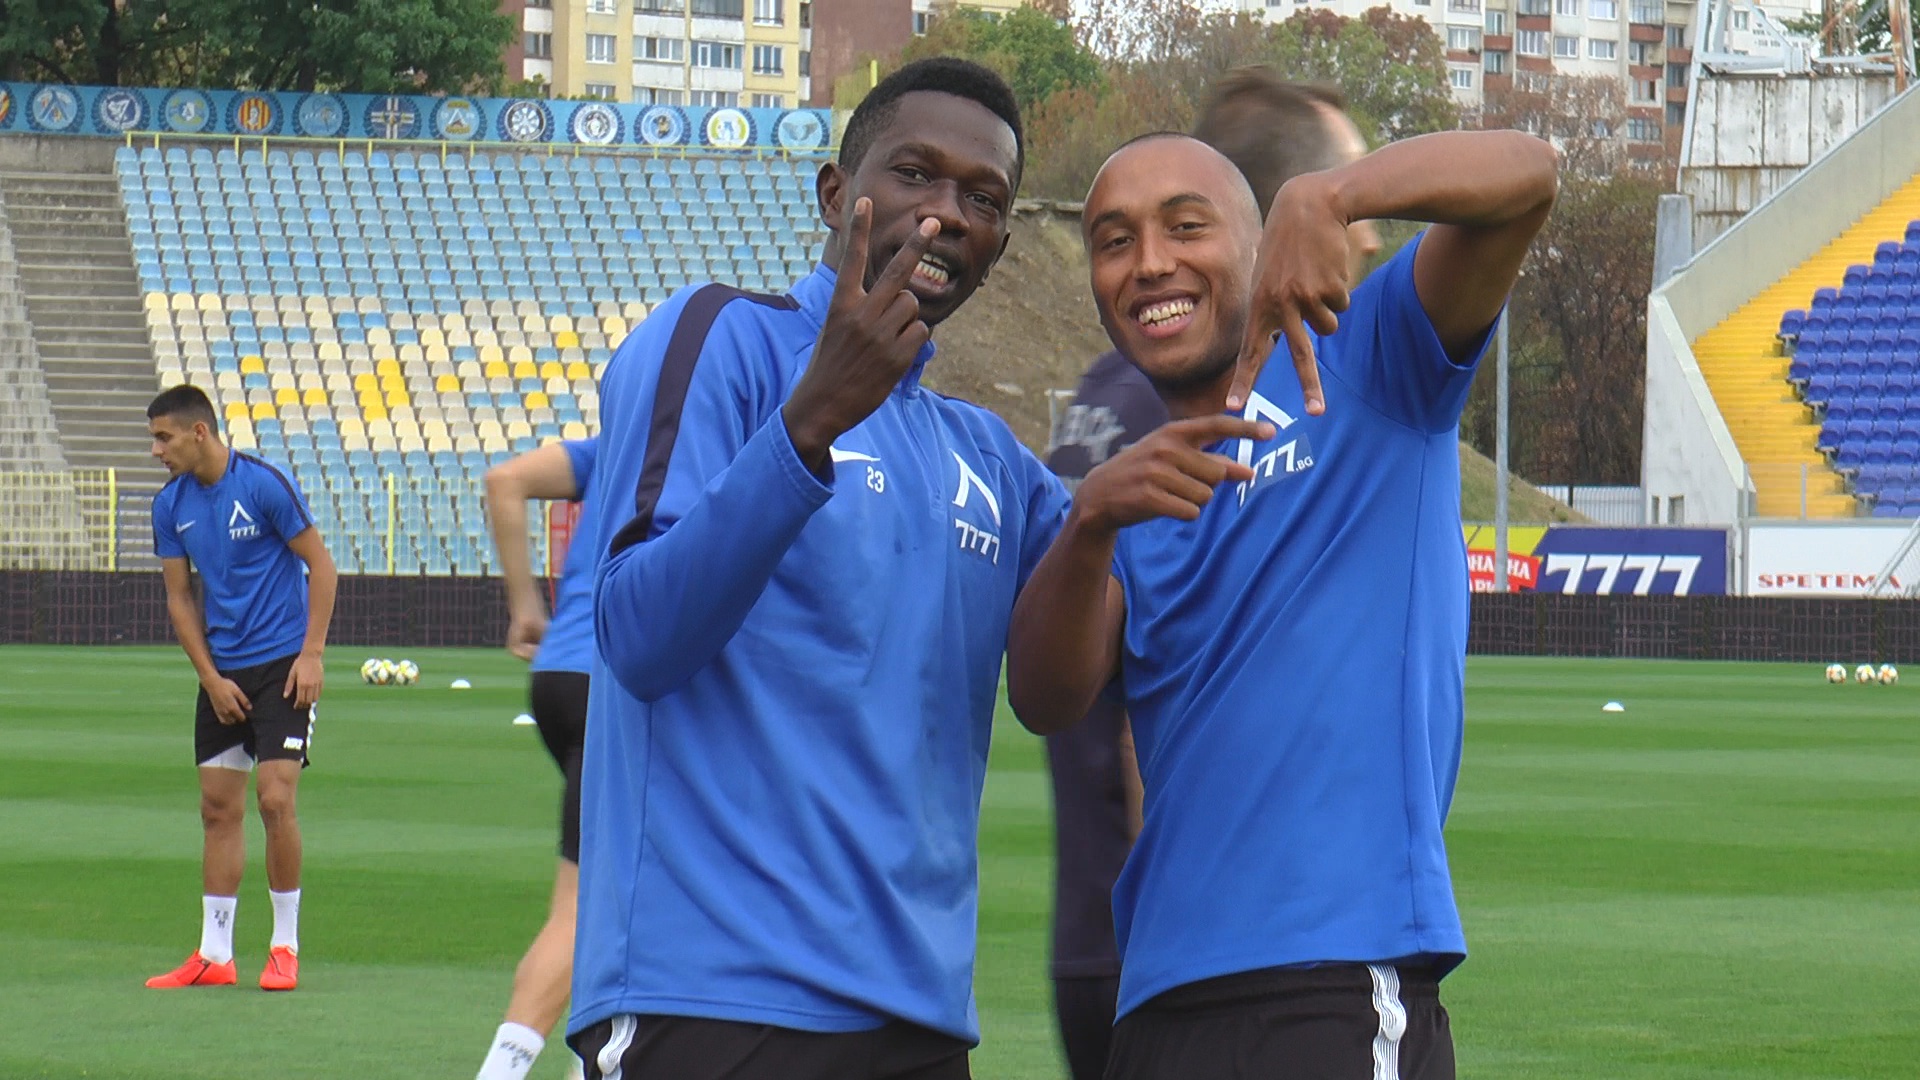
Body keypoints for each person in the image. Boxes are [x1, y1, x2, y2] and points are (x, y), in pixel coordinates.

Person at [1007, 117, 1557, 1078]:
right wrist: (1089, 522)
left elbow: (1529, 173)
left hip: (1331, 982)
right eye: (1114, 241)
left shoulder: (1364, 359)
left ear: (1258, 246)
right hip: (1157, 1002)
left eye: (1187, 226)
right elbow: (1045, 699)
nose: (1150, 263)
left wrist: (1333, 194)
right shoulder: (1127, 499)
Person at [568, 58, 1069, 1080]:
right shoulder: (723, 337)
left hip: (919, 1022)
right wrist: (808, 427)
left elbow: (1097, 663)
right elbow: (637, 636)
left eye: (983, 199)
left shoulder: (991, 460)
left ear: (999, 248)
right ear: (837, 194)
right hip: (713, 1000)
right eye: (915, 174)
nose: (947, 213)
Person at [1037, 69, 1382, 1080]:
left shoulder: (1110, 387)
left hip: (1107, 938)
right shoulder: (1202, 401)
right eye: (1346, 199)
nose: (1365, 234)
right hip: (1194, 952)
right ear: (1279, 220)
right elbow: (1136, 698)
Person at [143, 384, 337, 992]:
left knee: (275, 801)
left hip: (282, 667)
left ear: (198, 432)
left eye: (164, 438)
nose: (156, 451)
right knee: (217, 809)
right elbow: (179, 598)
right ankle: (214, 955)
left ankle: (284, 947)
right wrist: (210, 678)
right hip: (223, 674)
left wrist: (312, 655)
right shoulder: (169, 505)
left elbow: (322, 565)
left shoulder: (262, 485)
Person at [474, 438, 601, 1080]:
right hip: (621, 685)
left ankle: (595, 1061)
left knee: (635, 889)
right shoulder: (717, 450)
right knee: (580, 906)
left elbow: (504, 481)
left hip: (558, 674)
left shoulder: (615, 444)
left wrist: (526, 608)